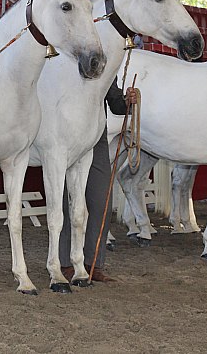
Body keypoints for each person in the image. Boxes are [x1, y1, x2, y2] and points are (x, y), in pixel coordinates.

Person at [59, 79, 138, 283]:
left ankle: (92, 263)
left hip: (96, 135)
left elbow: (116, 104)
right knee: (68, 202)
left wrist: (128, 101)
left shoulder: (104, 66)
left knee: (102, 201)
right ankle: (65, 263)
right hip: (68, 133)